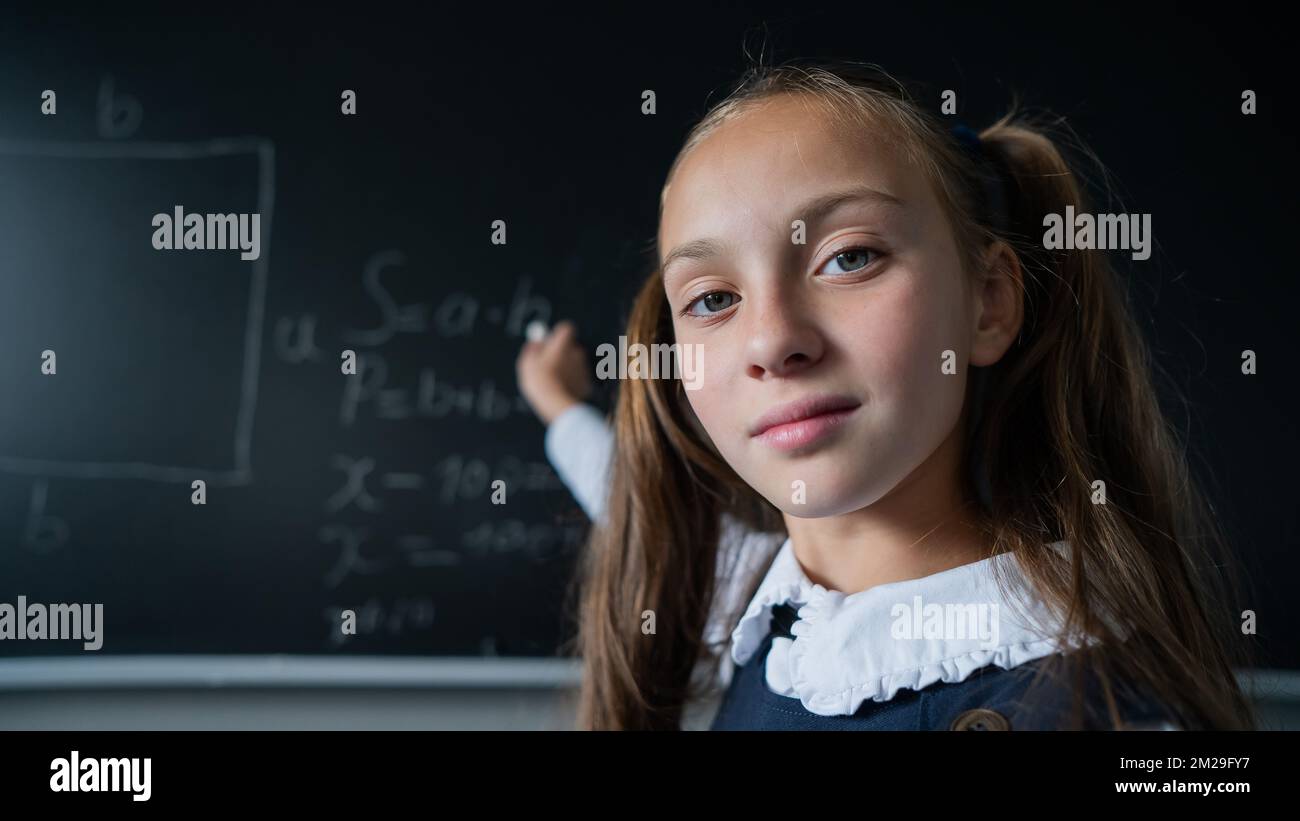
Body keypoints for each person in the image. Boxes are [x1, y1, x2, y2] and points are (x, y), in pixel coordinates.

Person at [516, 60, 1254, 731]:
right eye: (712, 300)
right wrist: (558, 405)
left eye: (850, 257)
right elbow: (627, 495)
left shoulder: (1097, 709)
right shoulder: (763, 598)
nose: (774, 341)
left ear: (989, 301)